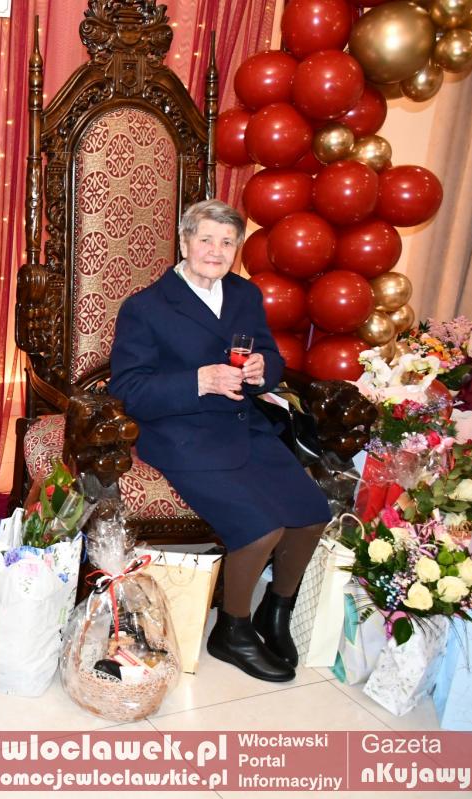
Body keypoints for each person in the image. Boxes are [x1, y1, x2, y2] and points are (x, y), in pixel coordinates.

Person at [109, 199, 329, 683]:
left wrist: (263, 369)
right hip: (182, 436)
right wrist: (198, 381)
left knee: (313, 512)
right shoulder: (146, 307)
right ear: (184, 241)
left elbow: (269, 355)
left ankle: (276, 610)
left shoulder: (245, 294)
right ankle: (232, 629)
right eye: (206, 239)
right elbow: (127, 389)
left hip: (244, 427)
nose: (216, 250)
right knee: (260, 527)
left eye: (227, 242)